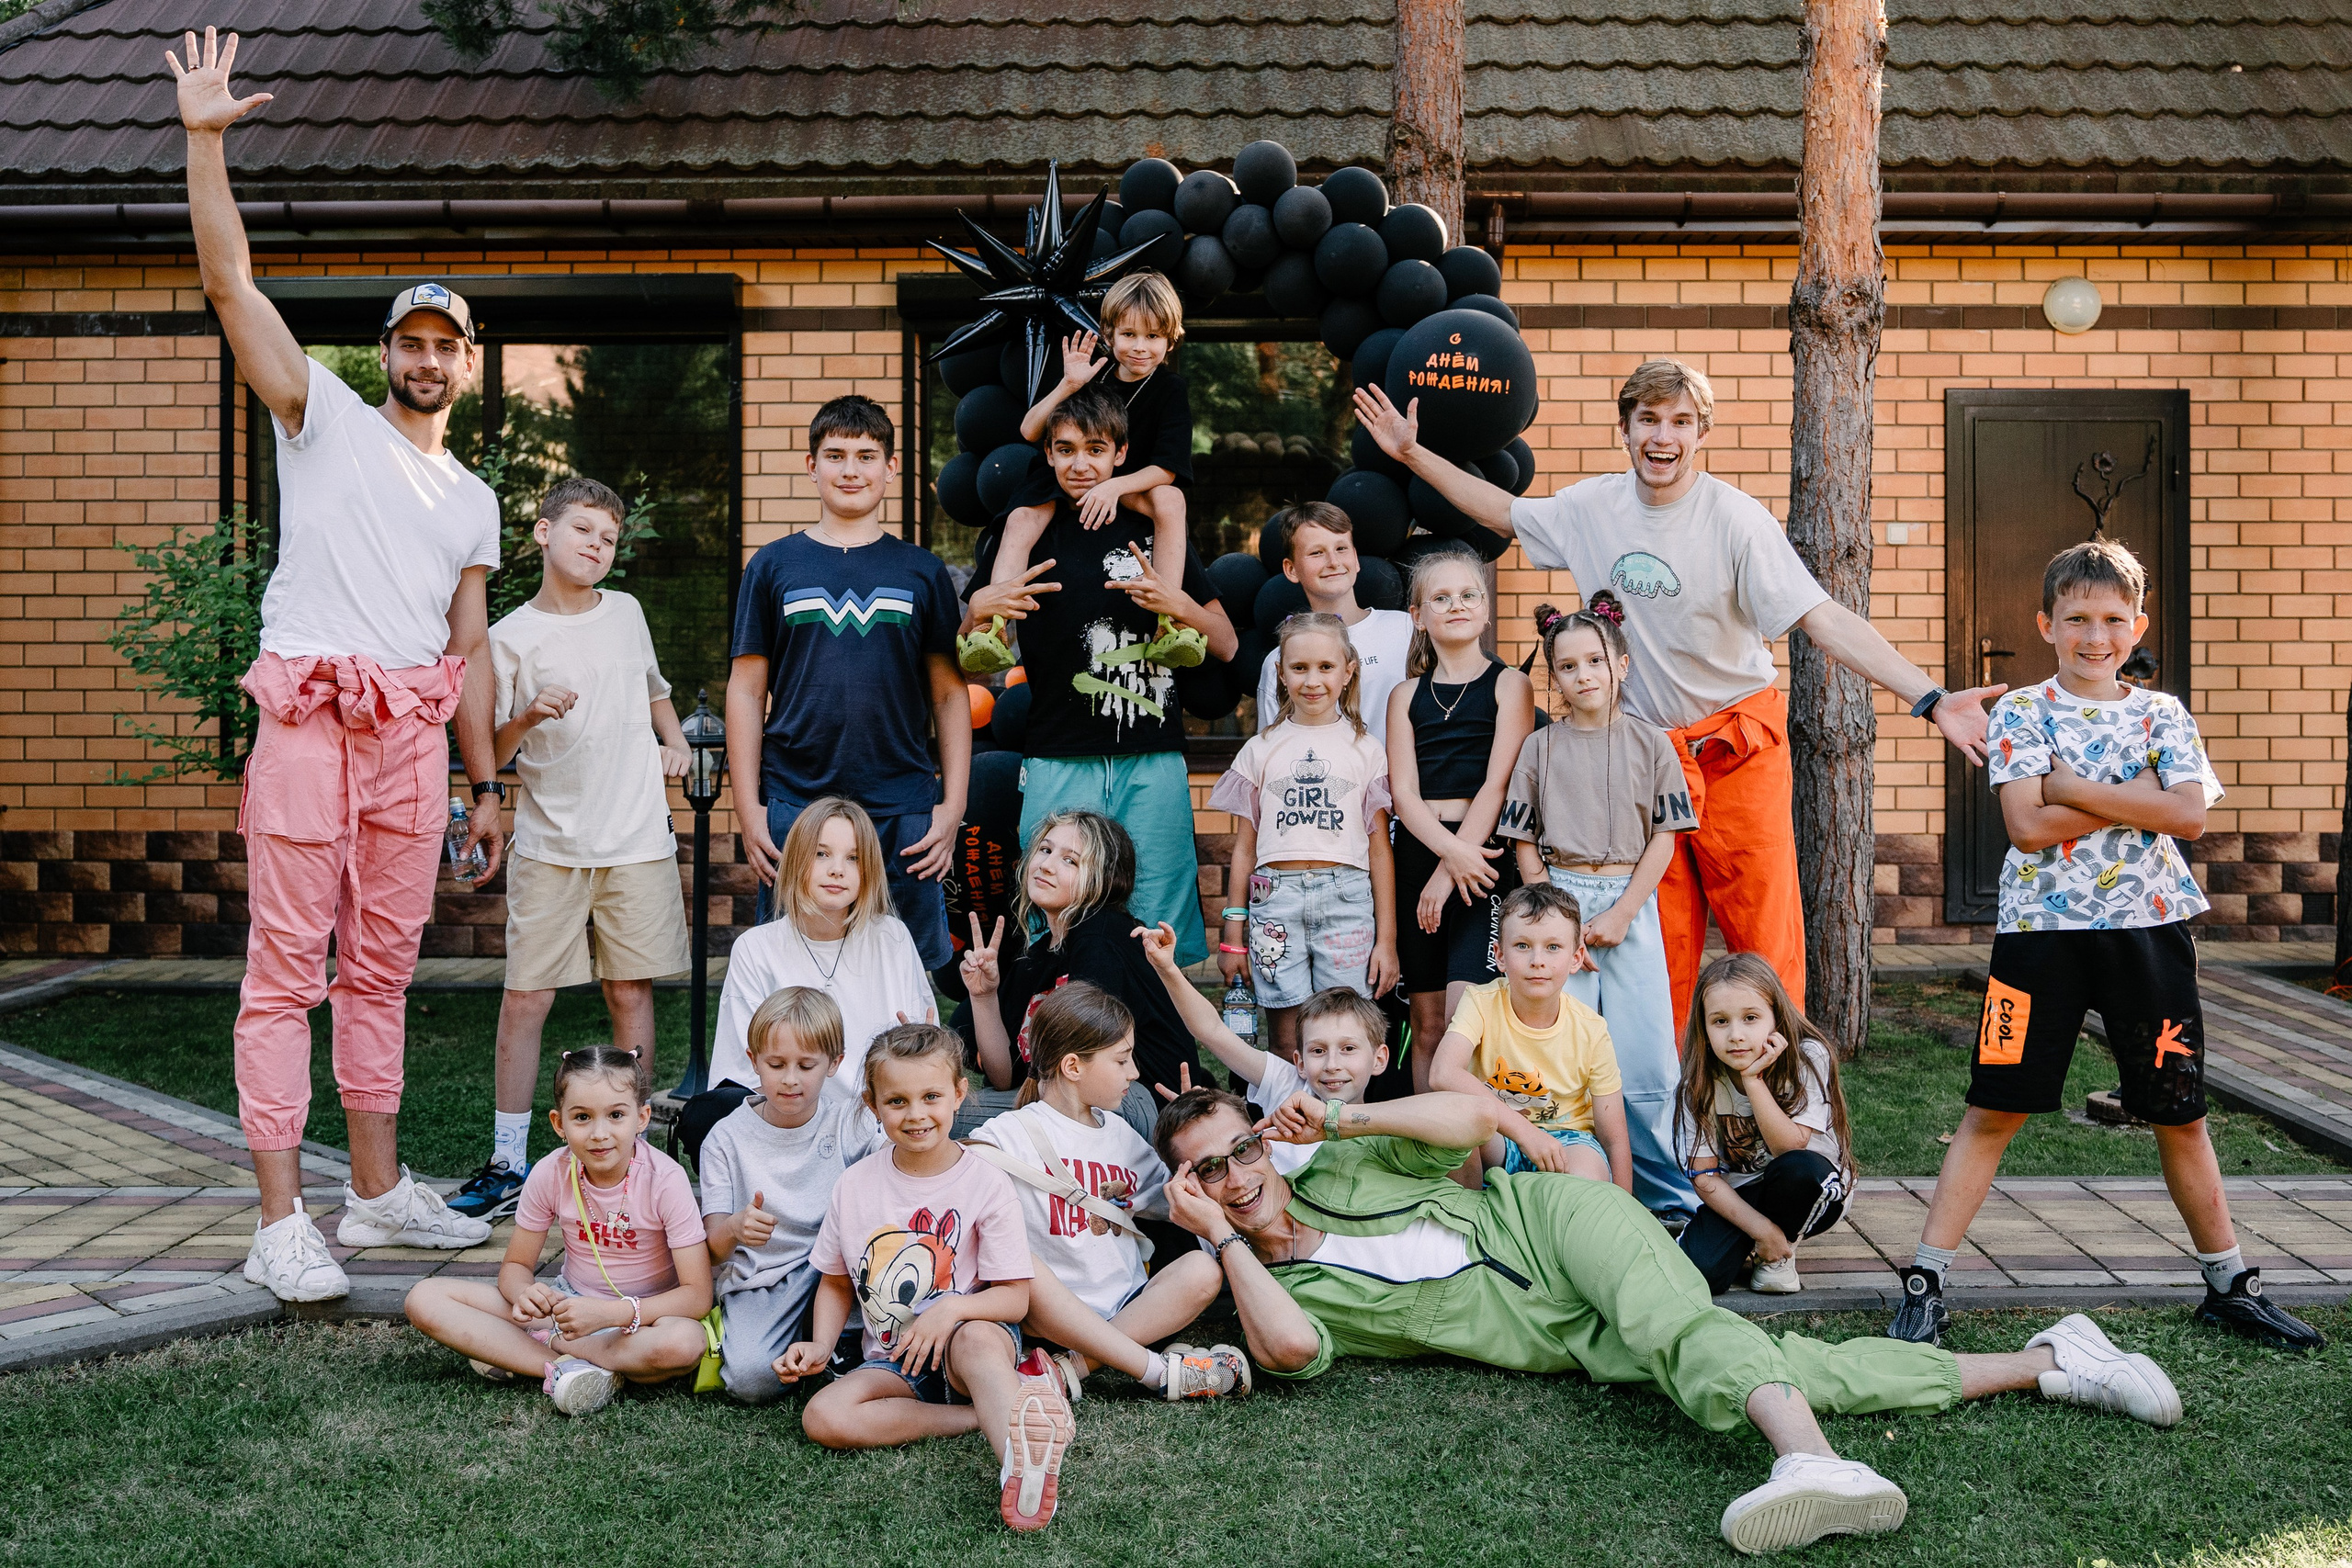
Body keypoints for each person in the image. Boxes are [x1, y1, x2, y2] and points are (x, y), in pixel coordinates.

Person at [1156, 1085, 2189, 1553]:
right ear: (1186, 1189)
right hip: (1559, 1338)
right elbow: (1290, 1351)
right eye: (1207, 1172)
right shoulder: (1267, 1291)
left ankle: (1808, 1464)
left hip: (1559, 1221)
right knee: (1782, 1362)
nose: (1237, 1176)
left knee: (1676, 1332)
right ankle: (2054, 1358)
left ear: (1263, 1141)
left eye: (1242, 1150)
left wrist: (1337, 1114)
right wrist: (1222, 1242)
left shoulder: (1341, 1161)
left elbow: (1473, 1119)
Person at [1355, 359, 2004, 1038]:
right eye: (1649, 420)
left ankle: (1782, 1103)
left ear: (1702, 434)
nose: (1663, 436)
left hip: (1735, 749)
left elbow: (1825, 620)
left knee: (1763, 937)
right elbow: (1501, 511)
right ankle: (1667, 1113)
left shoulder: (1736, 520)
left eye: (1680, 422)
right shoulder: (1591, 509)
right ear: (1626, 429)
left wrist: (1930, 697)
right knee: (1653, 948)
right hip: (1641, 756)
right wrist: (1410, 452)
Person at [170, 28, 497, 1301]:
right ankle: (279, 1219)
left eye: (447, 344)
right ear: (387, 351)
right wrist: (206, 144)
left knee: (383, 969)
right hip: (310, 718)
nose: (426, 357)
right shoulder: (322, 416)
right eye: (411, 339)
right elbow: (230, 283)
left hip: (414, 744)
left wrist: (487, 785)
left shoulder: (473, 498)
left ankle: (373, 1195)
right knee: (284, 970)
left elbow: (466, 644)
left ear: (467, 366)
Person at [1892, 540, 2324, 1353]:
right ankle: (1924, 1283)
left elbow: (2190, 817)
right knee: (1992, 1109)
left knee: (2180, 1113)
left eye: (2114, 620)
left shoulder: (2164, 715)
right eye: (2078, 619)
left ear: (2139, 625)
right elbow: (2026, 827)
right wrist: (2139, 798)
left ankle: (2230, 1284)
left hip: (2148, 932)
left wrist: (2074, 788)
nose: (2096, 635)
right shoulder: (2021, 711)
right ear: (2046, 624)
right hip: (2040, 938)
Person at [448, 477, 695, 1221]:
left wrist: (676, 738)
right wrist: (526, 715)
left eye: (609, 537)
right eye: (583, 529)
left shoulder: (627, 612)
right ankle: (507, 1161)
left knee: (630, 991)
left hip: (636, 840)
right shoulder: (509, 637)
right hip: (551, 845)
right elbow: (485, 746)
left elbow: (653, 689)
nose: (597, 545)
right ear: (542, 533)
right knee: (527, 998)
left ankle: (635, 1155)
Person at [954, 386, 1237, 967]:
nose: (1080, 464)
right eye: (1065, 450)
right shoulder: (1031, 528)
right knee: (1047, 924)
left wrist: (1174, 602)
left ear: (1120, 455)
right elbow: (962, 641)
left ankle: (1157, 1054)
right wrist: (983, 611)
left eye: (1095, 449)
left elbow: (1227, 643)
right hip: (1059, 755)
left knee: (1159, 928)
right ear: (1049, 456)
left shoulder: (1156, 531)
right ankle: (1052, 1046)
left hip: (1151, 754)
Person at [779, 1023, 1078, 1533]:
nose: (916, 1114)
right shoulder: (853, 1187)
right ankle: (997, 1410)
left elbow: (1013, 1301)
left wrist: (953, 1309)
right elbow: (834, 1281)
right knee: (822, 1417)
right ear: (873, 1105)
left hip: (971, 1347)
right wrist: (821, 1346)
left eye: (931, 1097)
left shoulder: (985, 1182)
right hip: (896, 1366)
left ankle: (1017, 1461)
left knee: (978, 1341)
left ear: (959, 1094)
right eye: (897, 1101)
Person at [727, 394, 967, 971]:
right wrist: (748, 809)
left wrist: (952, 807)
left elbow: (950, 694)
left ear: (890, 469)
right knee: (796, 975)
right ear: (812, 466)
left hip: (903, 803)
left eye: (866, 456)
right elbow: (744, 690)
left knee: (904, 971)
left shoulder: (922, 571)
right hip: (796, 799)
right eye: (835, 455)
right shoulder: (773, 566)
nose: (850, 470)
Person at [1498, 594, 1699, 1217]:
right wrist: (1557, 918)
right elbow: (1523, 841)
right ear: (1553, 676)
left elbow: (1664, 839)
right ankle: (1563, 1187)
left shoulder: (1652, 745)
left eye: (1595, 660)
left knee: (1644, 1053)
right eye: (1567, 665)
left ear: (1622, 663)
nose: (1582, 674)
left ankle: (1667, 1199)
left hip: (1629, 904)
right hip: (1560, 902)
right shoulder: (1541, 747)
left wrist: (1619, 912)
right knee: (1558, 1045)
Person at [966, 983, 1244, 1402]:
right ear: (1073, 1066)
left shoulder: (1119, 1133)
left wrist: (1194, 1131)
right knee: (1021, 1262)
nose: (1134, 1072)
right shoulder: (1008, 1135)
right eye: (1122, 1059)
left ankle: (1077, 1366)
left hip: (1130, 1306)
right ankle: (1145, 1368)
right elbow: (958, 1185)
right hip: (1052, 1315)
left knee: (1202, 1272)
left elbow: (1177, 1200)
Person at [402, 1046, 713, 1417]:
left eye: (616, 1115)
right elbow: (515, 1267)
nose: (599, 1134)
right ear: (558, 1123)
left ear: (642, 1117)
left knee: (684, 1343)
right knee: (424, 1298)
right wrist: (526, 1294)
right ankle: (565, 1368)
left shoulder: (666, 1180)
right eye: (582, 1117)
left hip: (641, 1319)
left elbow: (697, 1296)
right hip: (565, 1309)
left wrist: (608, 1315)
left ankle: (545, 1354)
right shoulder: (551, 1172)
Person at [1212, 613, 1399, 1057]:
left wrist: (1387, 940)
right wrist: (1231, 936)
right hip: (1275, 901)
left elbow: (1379, 850)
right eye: (1299, 668)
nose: (1312, 680)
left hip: (1348, 900)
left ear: (1348, 671)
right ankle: (1286, 1126)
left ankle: (1344, 1123)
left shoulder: (1368, 750)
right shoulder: (1260, 749)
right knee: (1285, 1038)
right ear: (1280, 672)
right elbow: (1245, 849)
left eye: (1325, 667)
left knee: (1345, 1033)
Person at [1385, 543, 1533, 1091]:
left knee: (1460, 1022)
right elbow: (1403, 792)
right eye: (1440, 598)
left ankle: (1473, 1168)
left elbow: (1498, 784)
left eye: (1469, 594)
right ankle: (1432, 1163)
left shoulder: (1509, 684)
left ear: (1486, 608)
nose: (1457, 605)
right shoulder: (1405, 696)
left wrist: (1452, 869)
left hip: (1482, 858)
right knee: (1425, 1025)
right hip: (1420, 852)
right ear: (1418, 617)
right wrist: (1440, 860)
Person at [957, 809, 1201, 1134]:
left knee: (951, 1118)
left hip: (1144, 1108)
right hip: (1079, 1101)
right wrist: (983, 996)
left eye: (1070, 861)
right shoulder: (1038, 953)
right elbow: (1004, 1078)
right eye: (1045, 850)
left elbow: (1094, 1072)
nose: (1046, 865)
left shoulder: (1103, 937)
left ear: (1103, 878)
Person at [698, 987, 884, 1404]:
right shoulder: (724, 1141)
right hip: (765, 1280)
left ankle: (837, 1338)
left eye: (806, 1065)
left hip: (839, 1271)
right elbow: (711, 1249)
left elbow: (897, 1177)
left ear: (834, 1063)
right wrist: (735, 1226)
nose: (790, 1079)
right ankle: (807, 1338)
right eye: (776, 1064)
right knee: (749, 1380)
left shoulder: (848, 1123)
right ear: (753, 1062)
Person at [710, 797, 937, 1098]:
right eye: (821, 854)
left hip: (879, 1117)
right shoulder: (755, 949)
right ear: (796, 860)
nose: (837, 870)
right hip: (787, 1116)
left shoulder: (891, 937)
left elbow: (924, 1052)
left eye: (853, 858)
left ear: (868, 870)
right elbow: (740, 1074)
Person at [992, 273, 1192, 602]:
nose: (1140, 347)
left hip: (1126, 483)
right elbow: (1030, 430)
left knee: (1171, 499)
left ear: (1170, 340)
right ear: (1109, 335)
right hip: (1072, 476)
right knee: (1022, 518)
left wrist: (1113, 486)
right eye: (1129, 334)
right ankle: (993, 621)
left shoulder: (1170, 390)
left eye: (1153, 335)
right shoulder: (1089, 374)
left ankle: (1168, 614)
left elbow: (1167, 469)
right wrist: (1069, 385)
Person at [1138, 919, 1387, 1176]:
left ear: (1379, 1059)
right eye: (1318, 1051)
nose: (1332, 1064)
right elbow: (1212, 1031)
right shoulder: (1287, 1085)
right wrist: (1167, 968)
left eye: (1348, 1049)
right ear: (1300, 1063)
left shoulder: (1389, 1126)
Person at [1428, 884, 1631, 1189]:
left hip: (1569, 1141)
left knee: (1584, 1181)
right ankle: (1468, 1217)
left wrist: (1622, 1209)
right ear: (1500, 955)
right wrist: (1526, 1134)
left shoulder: (1591, 1029)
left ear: (1576, 958)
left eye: (1553, 947)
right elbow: (1442, 1073)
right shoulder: (1480, 1002)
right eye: (1522, 945)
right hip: (1498, 1135)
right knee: (1459, 1119)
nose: (1538, 960)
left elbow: (1614, 1138)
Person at [1676, 953, 1854, 1296]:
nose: (1736, 1035)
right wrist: (1761, 1230)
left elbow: (1788, 1149)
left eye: (1751, 1018)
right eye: (1720, 1022)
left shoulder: (1807, 1058)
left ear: (1776, 1018)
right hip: (1744, 1193)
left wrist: (1753, 1080)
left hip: (1813, 1185)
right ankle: (1767, 1240)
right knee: (1701, 1273)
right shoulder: (1698, 1083)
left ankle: (1779, 1255)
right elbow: (1705, 1177)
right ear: (1703, 1026)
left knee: (1797, 1171)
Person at [1251, 502, 1418, 742]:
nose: (1333, 562)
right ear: (1291, 569)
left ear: (1356, 560)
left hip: (1405, 779)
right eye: (1316, 552)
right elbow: (1272, 751)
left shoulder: (1405, 629)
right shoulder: (1282, 659)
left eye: (1341, 548)